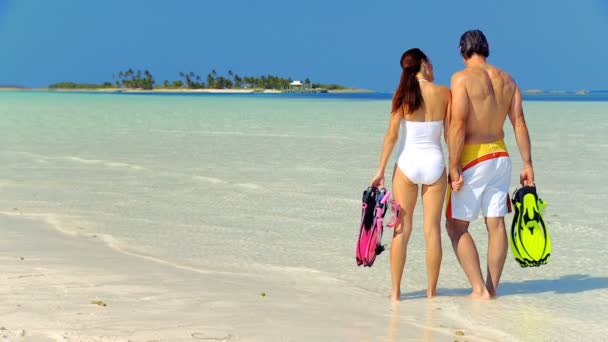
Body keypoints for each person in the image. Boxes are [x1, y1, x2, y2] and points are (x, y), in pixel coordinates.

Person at [446, 30, 534, 299]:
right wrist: (528, 163)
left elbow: (458, 123)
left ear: (463, 51)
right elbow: (519, 122)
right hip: (501, 157)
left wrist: (453, 165)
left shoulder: (461, 78)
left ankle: (478, 290)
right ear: (487, 48)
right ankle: (492, 289)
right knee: (495, 224)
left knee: (455, 226)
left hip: (474, 158)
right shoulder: (508, 80)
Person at [371, 48, 451, 301]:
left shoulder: (402, 95)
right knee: (433, 231)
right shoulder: (444, 93)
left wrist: (380, 171)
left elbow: (391, 136)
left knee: (401, 230)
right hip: (435, 164)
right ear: (425, 64)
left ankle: (395, 293)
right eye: (431, 62)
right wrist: (457, 166)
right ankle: (430, 293)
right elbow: (450, 135)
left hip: (407, 165)